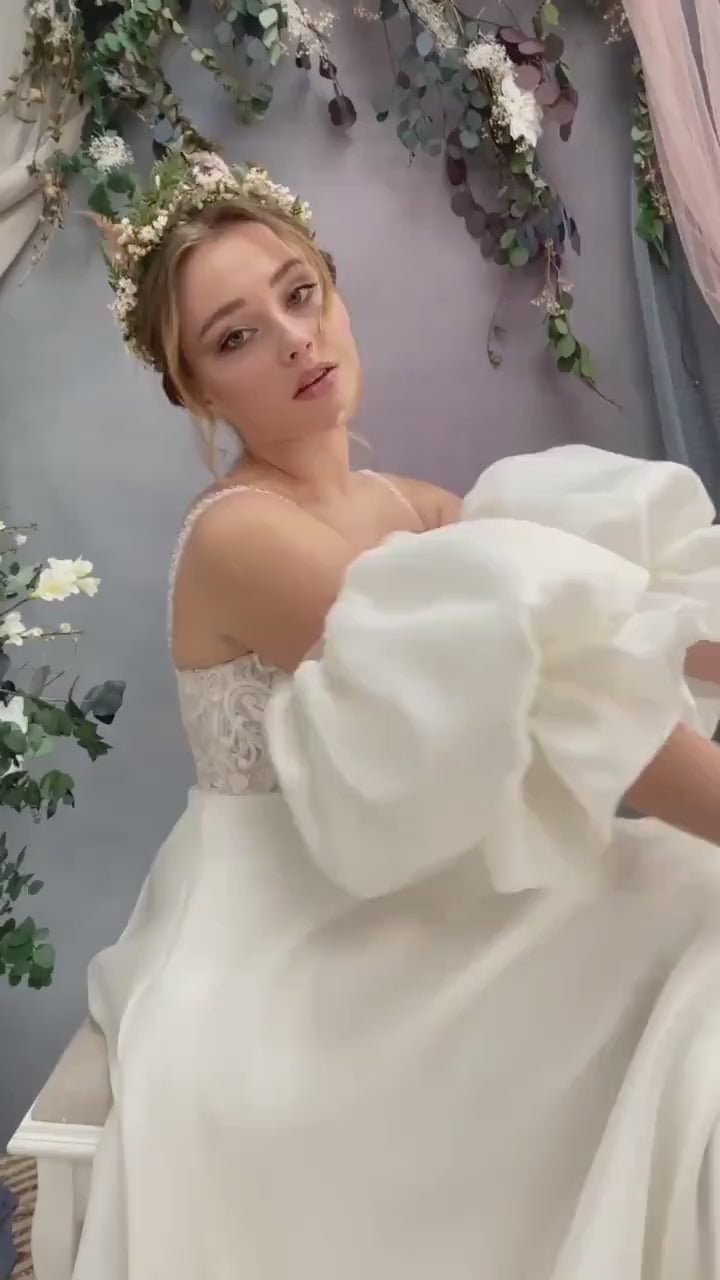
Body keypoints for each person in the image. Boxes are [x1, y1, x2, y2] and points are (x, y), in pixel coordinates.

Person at [74, 149, 720, 1280]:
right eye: (235, 336)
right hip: (298, 937)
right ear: (198, 391)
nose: (293, 339)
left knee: (684, 900)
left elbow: (608, 610)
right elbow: (545, 694)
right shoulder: (240, 537)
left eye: (300, 292)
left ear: (335, 291)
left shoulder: (405, 506)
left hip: (416, 880)